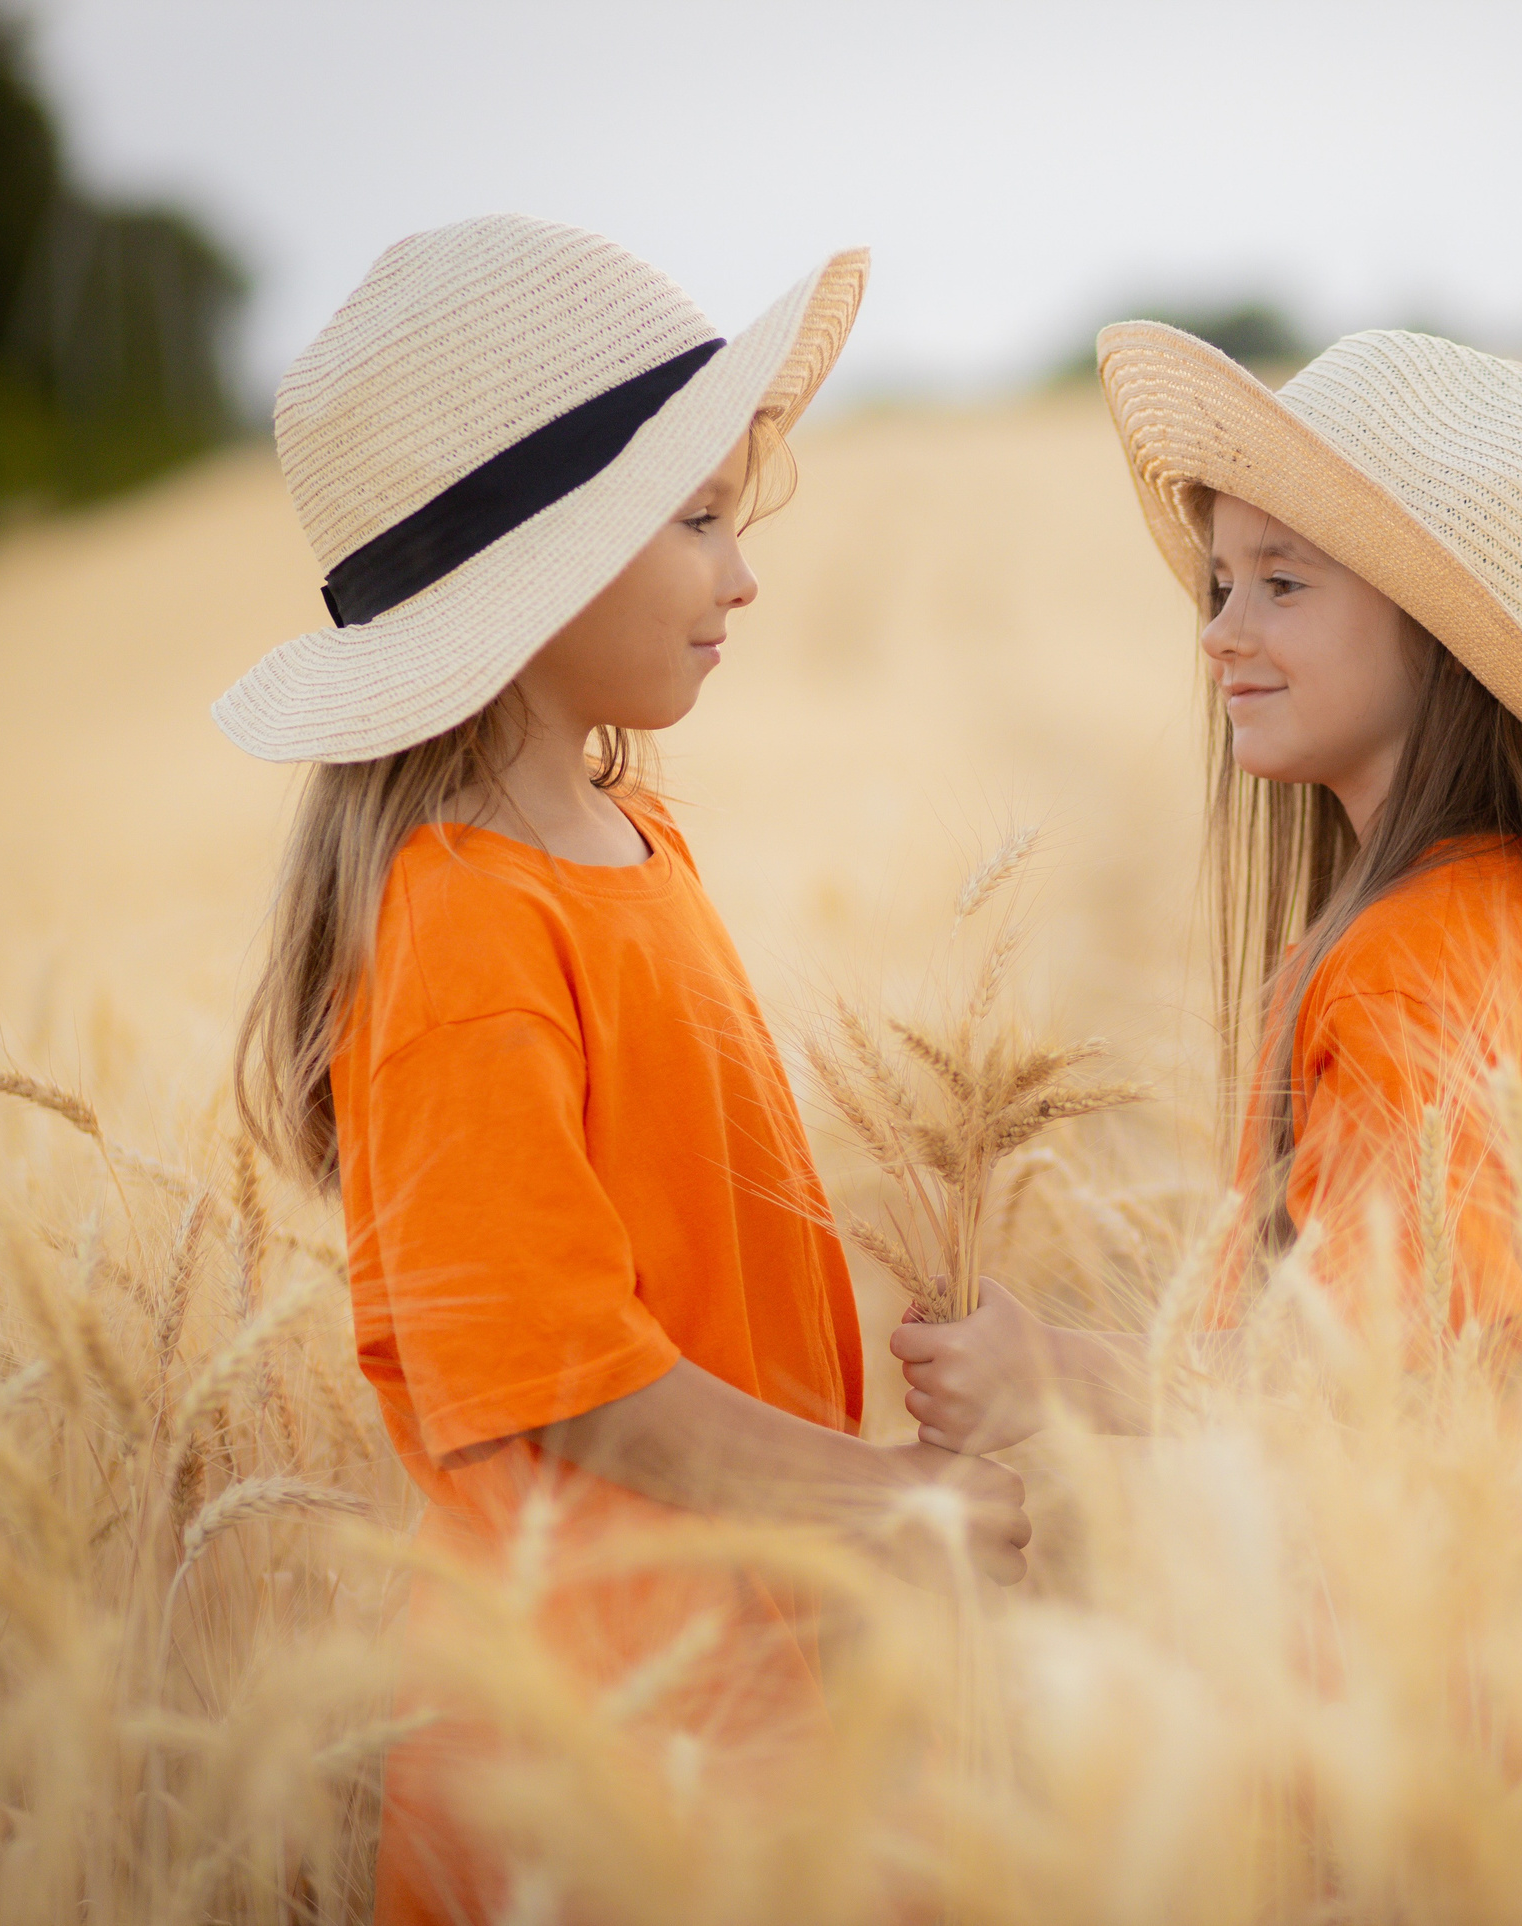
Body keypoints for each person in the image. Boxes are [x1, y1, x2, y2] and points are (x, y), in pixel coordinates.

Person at [220, 216, 1028, 1924]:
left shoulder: (633, 834)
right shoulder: (455, 923)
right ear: (542, 566)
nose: (744, 574)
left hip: (747, 1701)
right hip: (580, 1761)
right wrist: (884, 1510)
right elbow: (567, 1377)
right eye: (699, 519)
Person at [894, 322, 1522, 1452]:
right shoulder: (1492, 909)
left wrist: (1051, 1373)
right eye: (1219, 583)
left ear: (1444, 640)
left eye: (1281, 584)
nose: (1218, 632)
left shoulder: (1405, 963)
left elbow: (1367, 1377)